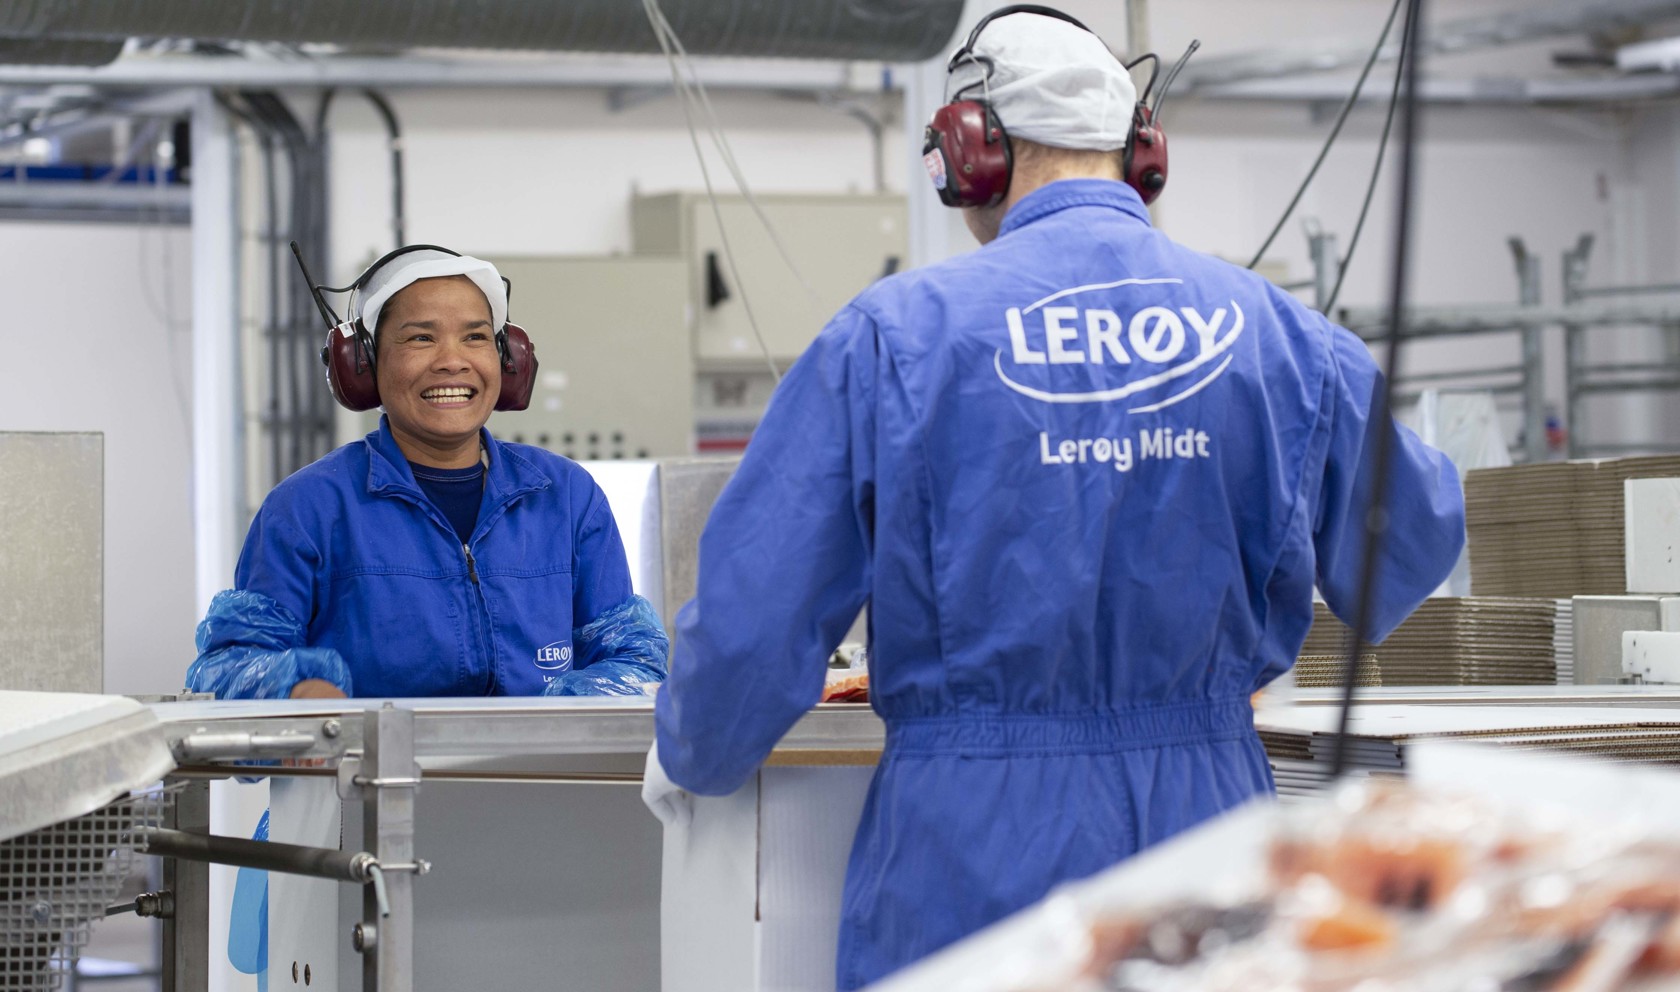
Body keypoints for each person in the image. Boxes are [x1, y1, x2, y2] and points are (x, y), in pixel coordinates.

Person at [643, 6, 1464, 989]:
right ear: (1141, 154)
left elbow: (750, 627)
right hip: (1211, 823)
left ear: (968, 151)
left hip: (974, 841)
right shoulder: (1280, 334)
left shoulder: (892, 338)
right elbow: (1412, 546)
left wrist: (694, 754)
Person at [187, 245, 667, 701]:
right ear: (366, 364)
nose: (452, 361)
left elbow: (634, 658)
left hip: (540, 779)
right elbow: (226, 671)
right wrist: (294, 690)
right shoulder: (310, 508)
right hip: (362, 782)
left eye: (475, 337)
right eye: (421, 337)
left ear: (508, 360)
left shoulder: (565, 496)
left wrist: (547, 720)